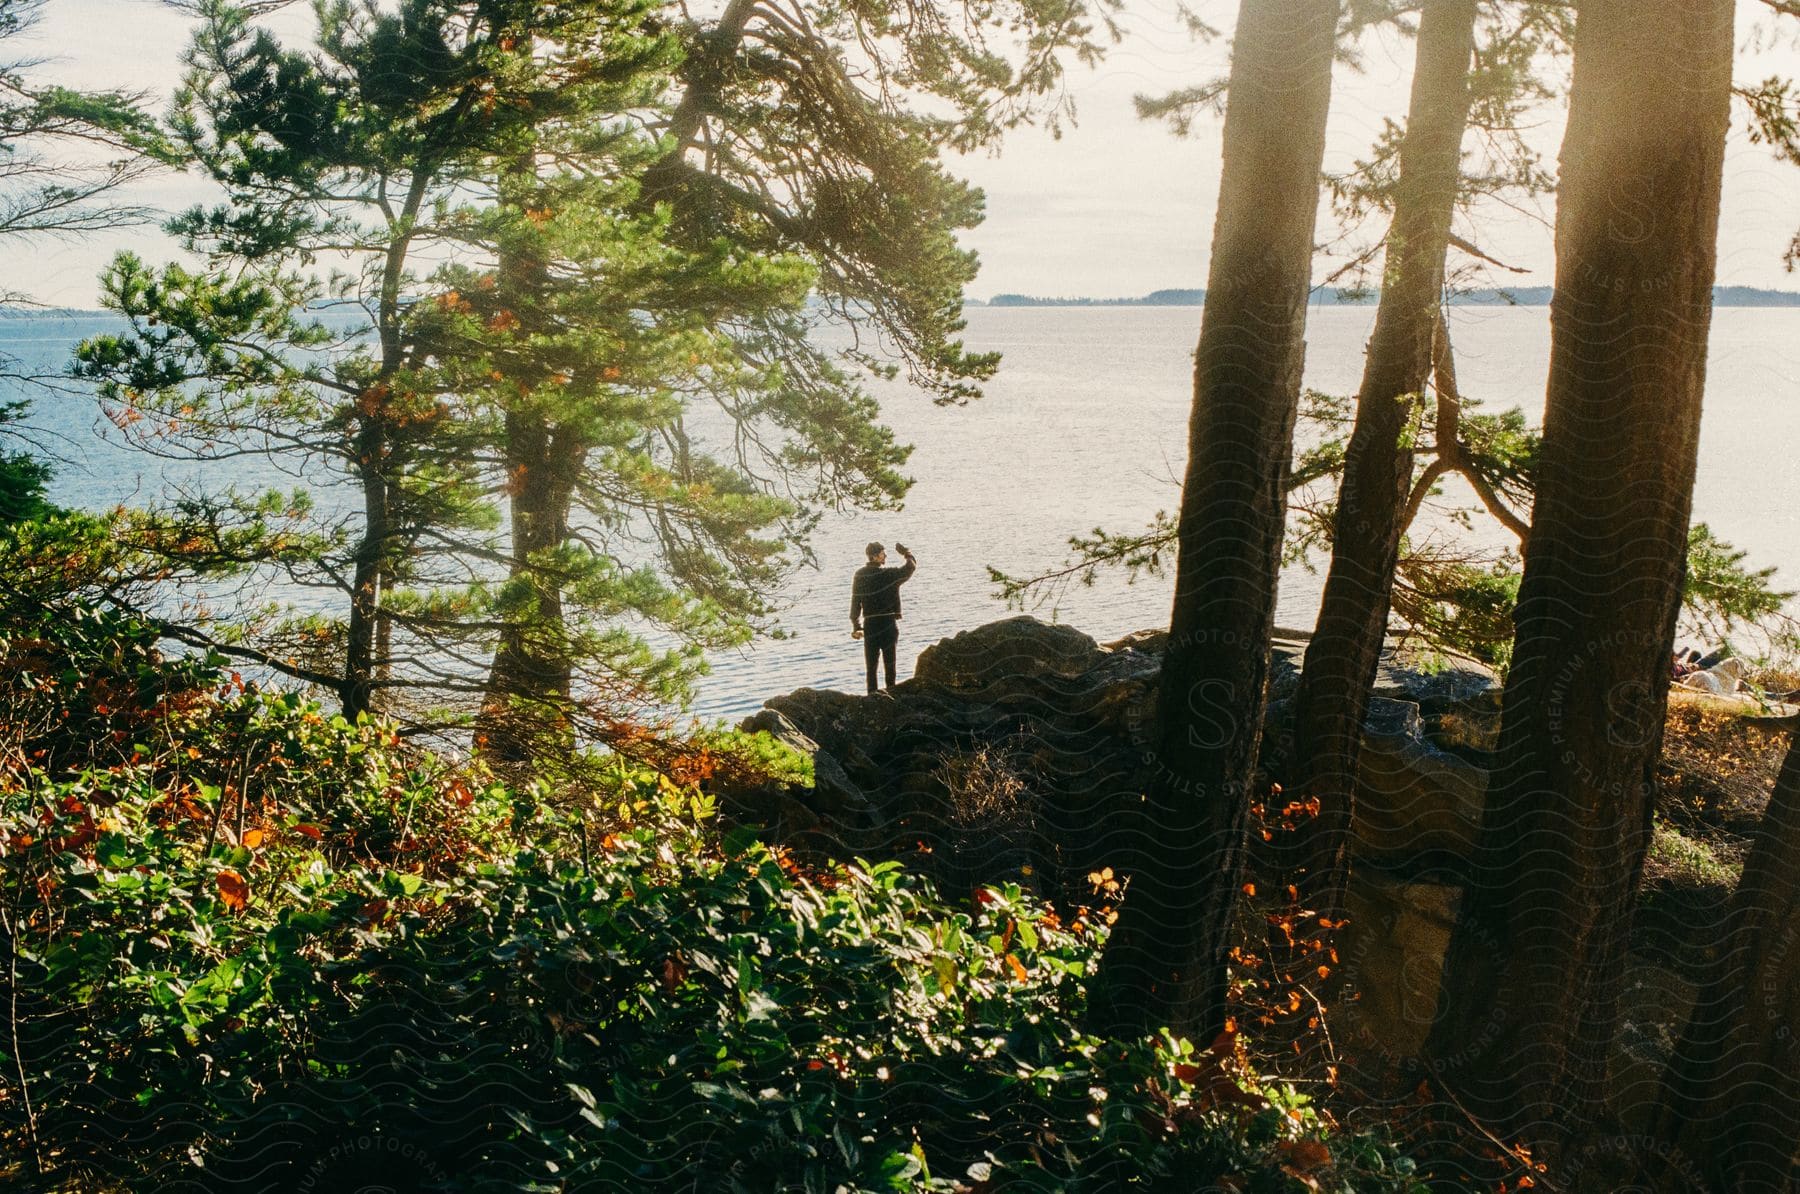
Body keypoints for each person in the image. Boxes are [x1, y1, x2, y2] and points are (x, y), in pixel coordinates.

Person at [850, 541, 916, 695]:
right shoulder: (889, 575)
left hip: (870, 624)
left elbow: (855, 601)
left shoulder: (859, 575)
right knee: (890, 664)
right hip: (887, 624)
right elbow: (910, 567)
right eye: (882, 553)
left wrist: (855, 624)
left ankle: (871, 696)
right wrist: (907, 553)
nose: (885, 555)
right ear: (874, 557)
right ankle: (891, 695)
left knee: (871, 667)